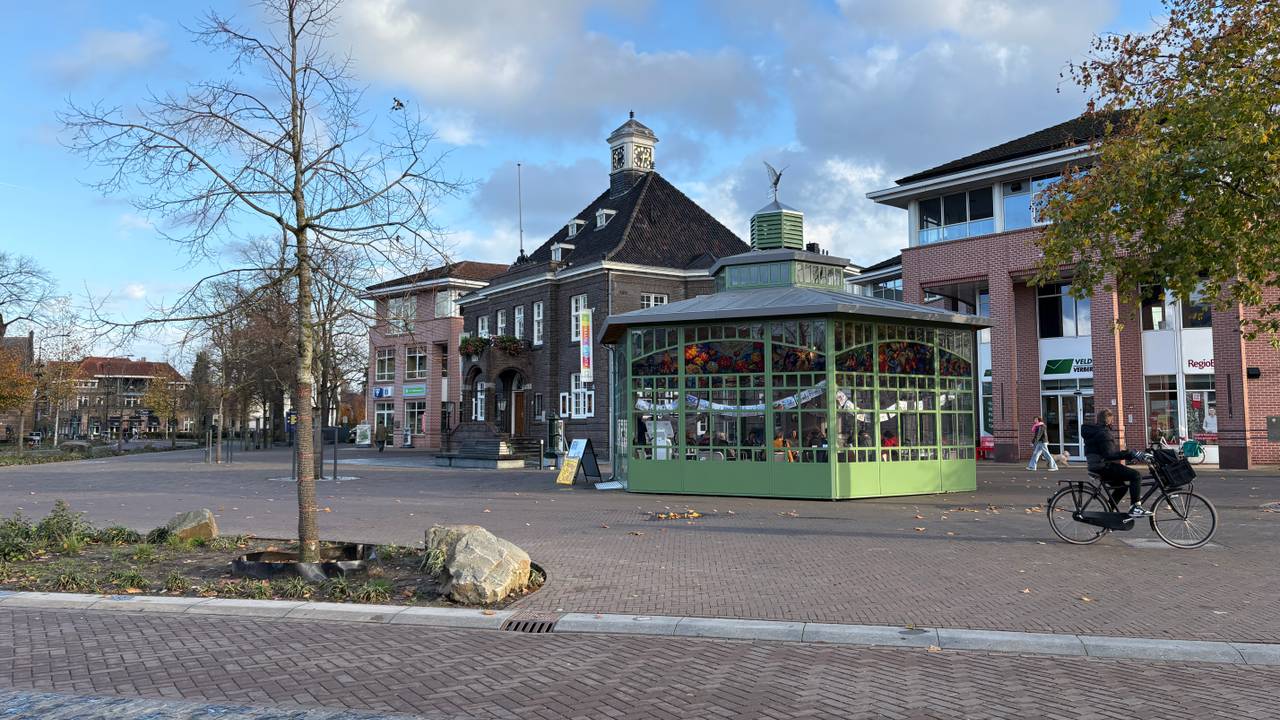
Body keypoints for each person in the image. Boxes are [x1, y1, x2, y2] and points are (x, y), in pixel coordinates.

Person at [1082, 409, 1150, 517]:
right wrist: (1130, 454)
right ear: (1109, 421)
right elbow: (1110, 455)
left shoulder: (1095, 431)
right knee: (1136, 476)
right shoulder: (1103, 434)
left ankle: (1108, 515)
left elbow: (1107, 451)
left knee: (1122, 488)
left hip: (1095, 466)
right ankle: (1135, 507)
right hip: (1102, 467)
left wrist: (1128, 454)